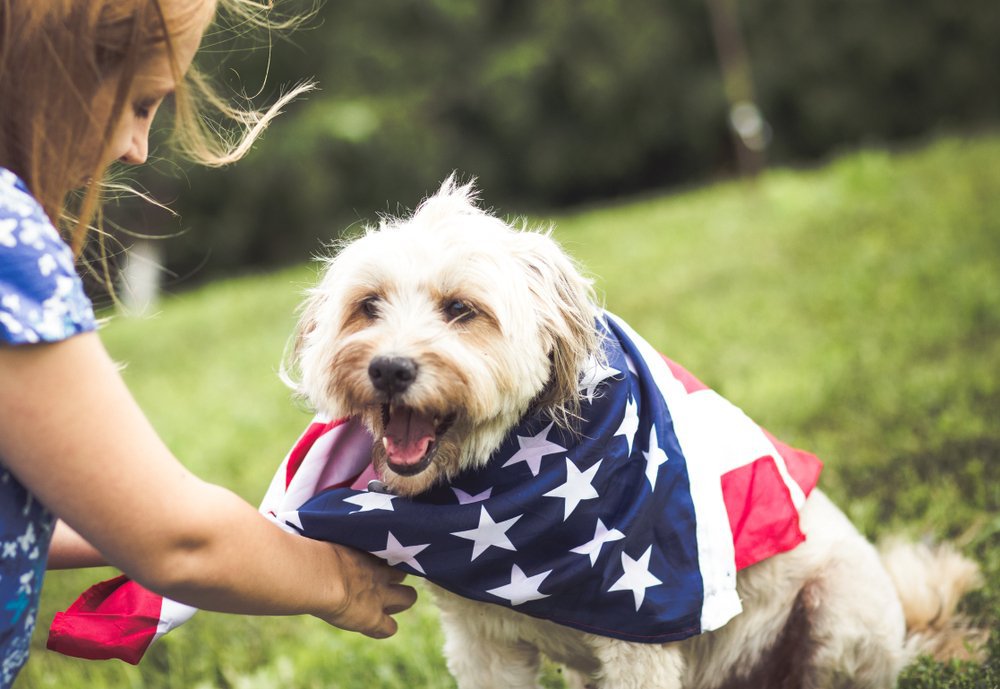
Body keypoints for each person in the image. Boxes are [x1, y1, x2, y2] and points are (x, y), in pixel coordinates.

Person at [0, 0, 416, 684]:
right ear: (58, 67)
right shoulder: (7, 241)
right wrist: (336, 579)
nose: (137, 145)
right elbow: (178, 539)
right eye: (141, 102)